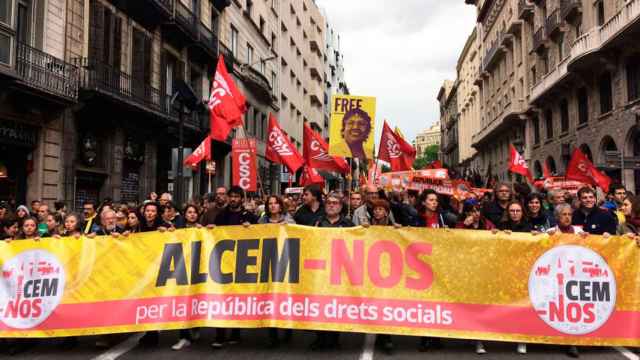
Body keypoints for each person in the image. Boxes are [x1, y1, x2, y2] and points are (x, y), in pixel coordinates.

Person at [212, 186, 258, 348]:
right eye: (231, 196)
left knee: (238, 298)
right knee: (221, 298)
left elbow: (260, 236)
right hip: (223, 263)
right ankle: (219, 335)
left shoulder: (250, 217)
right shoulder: (221, 216)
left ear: (241, 199)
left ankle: (236, 332)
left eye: (236, 197)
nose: (233, 199)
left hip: (242, 263)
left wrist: (251, 228)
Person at [310, 191, 354, 351]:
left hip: (340, 271)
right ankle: (320, 337)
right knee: (320, 304)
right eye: (329, 203)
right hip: (320, 270)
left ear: (341, 206)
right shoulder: (317, 222)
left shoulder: (348, 224)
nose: (331, 205)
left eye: (335, 203)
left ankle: (335, 338)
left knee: (336, 305)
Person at [171, 204, 202, 351]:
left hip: (198, 270)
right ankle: (183, 336)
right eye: (189, 212)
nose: (192, 215)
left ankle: (195, 327)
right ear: (185, 214)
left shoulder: (203, 230)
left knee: (196, 300)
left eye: (195, 212)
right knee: (182, 301)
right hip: (182, 270)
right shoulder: (177, 230)